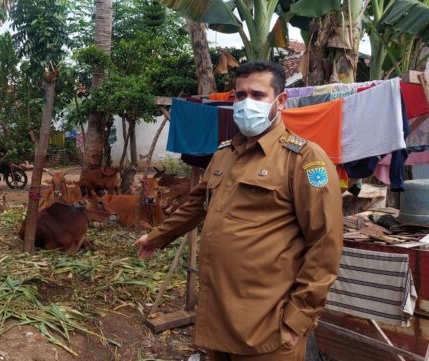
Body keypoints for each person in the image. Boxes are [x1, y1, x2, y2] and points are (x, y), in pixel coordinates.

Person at [134, 61, 343, 361]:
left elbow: (325, 244)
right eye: (241, 96)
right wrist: (156, 237)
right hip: (218, 316)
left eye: (258, 95)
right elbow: (196, 204)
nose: (247, 104)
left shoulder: (305, 160)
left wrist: (297, 320)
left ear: (280, 101)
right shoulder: (224, 154)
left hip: (268, 326)